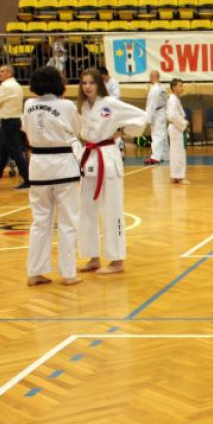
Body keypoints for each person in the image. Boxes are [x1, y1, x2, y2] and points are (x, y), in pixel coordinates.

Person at [77, 68, 148, 276]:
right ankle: (92, 257)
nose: (87, 87)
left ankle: (117, 260)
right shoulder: (82, 107)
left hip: (107, 157)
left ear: (99, 84)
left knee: (112, 209)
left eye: (91, 83)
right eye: (84, 83)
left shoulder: (111, 104)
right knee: (87, 210)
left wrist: (123, 131)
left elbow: (141, 116)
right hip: (89, 157)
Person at [21, 66, 82, 287]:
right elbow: (76, 130)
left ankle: (35, 272)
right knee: (68, 221)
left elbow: (26, 130)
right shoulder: (66, 105)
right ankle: (68, 274)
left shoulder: (28, 105)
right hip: (63, 167)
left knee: (40, 222)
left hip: (38, 167)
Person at [0, 65, 30, 190]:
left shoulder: (7, 86)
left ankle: (28, 180)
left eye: (2, 71)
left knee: (16, 152)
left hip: (8, 122)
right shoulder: (16, 85)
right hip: (12, 121)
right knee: (4, 153)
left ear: (9, 73)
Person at [165, 78, 188, 184]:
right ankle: (179, 177)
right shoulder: (173, 99)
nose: (182, 88)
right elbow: (173, 115)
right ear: (174, 87)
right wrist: (183, 124)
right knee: (178, 153)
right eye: (180, 86)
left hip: (175, 128)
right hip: (176, 127)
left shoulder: (174, 99)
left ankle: (175, 175)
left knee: (175, 153)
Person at [143, 70, 169, 165]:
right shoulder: (162, 88)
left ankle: (155, 157)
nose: (149, 79)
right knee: (162, 134)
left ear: (153, 77)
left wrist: (148, 117)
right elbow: (166, 100)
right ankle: (165, 155)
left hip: (156, 112)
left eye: (150, 76)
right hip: (161, 111)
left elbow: (152, 104)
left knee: (157, 134)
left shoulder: (155, 89)